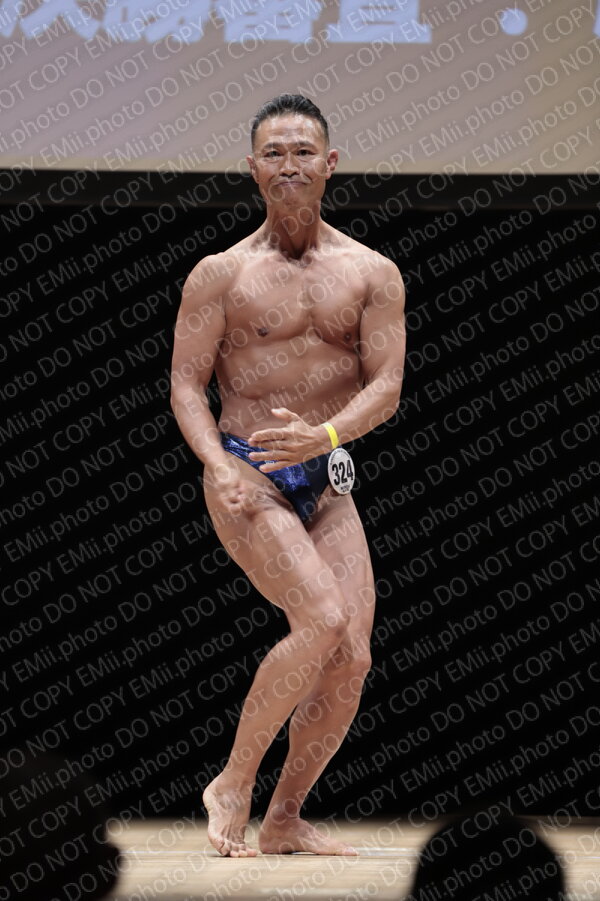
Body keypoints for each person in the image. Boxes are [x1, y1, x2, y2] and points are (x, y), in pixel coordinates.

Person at [170, 93, 406, 857]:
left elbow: (387, 385)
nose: (289, 165)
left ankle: (283, 817)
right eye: (274, 153)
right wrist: (217, 465)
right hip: (249, 471)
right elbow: (185, 385)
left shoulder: (371, 272)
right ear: (252, 168)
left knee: (354, 655)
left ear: (330, 163)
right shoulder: (221, 273)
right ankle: (232, 781)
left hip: (326, 479)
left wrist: (326, 435)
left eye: (303, 151)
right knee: (322, 619)